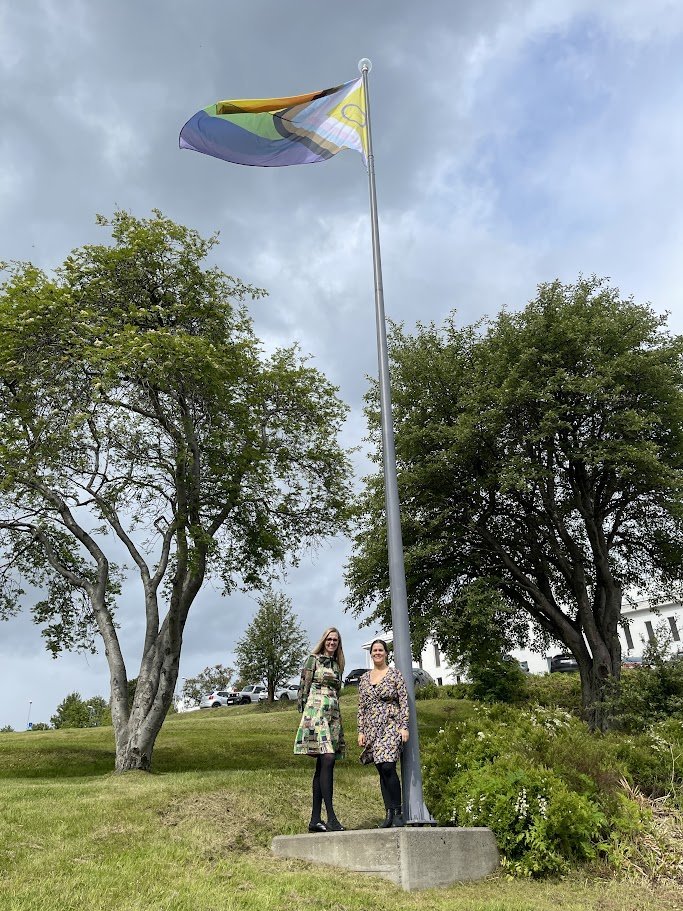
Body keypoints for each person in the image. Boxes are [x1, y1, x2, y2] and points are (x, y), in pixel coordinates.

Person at [294, 626, 346, 832]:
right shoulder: (313, 659)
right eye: (329, 639)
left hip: (332, 714)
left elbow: (338, 690)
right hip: (316, 714)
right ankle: (331, 816)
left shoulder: (337, 664)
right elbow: (303, 687)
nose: (332, 642)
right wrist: (305, 713)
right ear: (323, 640)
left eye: (335, 640)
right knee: (328, 758)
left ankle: (315, 819)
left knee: (323, 766)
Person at [357, 639, 409, 828]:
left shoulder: (395, 675)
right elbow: (361, 707)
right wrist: (361, 731)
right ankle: (388, 813)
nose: (377, 653)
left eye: (381, 650)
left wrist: (404, 726)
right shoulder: (364, 679)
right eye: (374, 650)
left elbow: (403, 702)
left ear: (386, 653)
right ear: (371, 654)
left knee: (388, 766)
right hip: (372, 728)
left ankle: (398, 812)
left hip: (390, 725)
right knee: (380, 769)